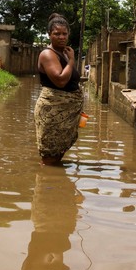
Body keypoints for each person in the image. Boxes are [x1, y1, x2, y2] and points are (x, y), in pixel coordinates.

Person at [34, 13, 83, 165]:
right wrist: (72, 61)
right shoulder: (48, 54)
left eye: (64, 33)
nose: (61, 37)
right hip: (53, 112)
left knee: (57, 157)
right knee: (49, 159)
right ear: (49, 35)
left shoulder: (64, 53)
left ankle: (56, 186)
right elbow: (61, 80)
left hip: (65, 113)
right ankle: (45, 184)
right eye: (57, 34)